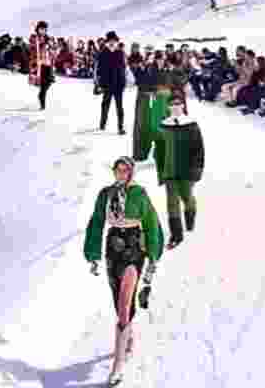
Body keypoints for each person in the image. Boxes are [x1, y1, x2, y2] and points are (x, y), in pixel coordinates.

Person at [83, 157, 164, 387]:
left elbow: (151, 223)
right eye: (118, 169)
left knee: (125, 299)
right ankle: (127, 336)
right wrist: (92, 254)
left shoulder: (139, 194)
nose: (121, 173)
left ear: (131, 173)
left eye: (125, 170)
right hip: (113, 246)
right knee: (118, 299)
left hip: (134, 246)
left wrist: (153, 256)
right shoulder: (105, 194)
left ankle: (117, 367)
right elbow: (97, 222)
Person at [157, 93, 205, 249]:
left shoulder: (192, 125)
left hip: (187, 170)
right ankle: (176, 234)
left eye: (178, 104)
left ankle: (190, 217)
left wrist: (197, 170)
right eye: (172, 104)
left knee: (187, 196)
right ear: (168, 107)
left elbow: (199, 149)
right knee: (172, 202)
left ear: (183, 105)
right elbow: (159, 151)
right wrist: (161, 173)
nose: (175, 107)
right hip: (169, 170)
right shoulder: (163, 125)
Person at [98, 31, 128, 134]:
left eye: (114, 41)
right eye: (110, 41)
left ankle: (121, 127)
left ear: (116, 42)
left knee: (119, 107)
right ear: (107, 42)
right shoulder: (103, 53)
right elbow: (100, 70)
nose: (112, 43)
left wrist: (123, 83)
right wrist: (100, 84)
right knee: (105, 105)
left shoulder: (120, 53)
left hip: (118, 85)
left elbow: (123, 69)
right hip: (107, 85)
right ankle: (102, 124)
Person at [29, 21, 55, 110]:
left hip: (48, 63)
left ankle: (41, 94)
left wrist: (51, 47)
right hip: (40, 64)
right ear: (38, 29)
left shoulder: (48, 38)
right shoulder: (34, 38)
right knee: (43, 83)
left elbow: (53, 49)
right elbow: (32, 48)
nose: (43, 31)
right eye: (41, 29)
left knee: (49, 82)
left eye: (44, 29)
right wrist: (42, 45)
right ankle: (42, 101)